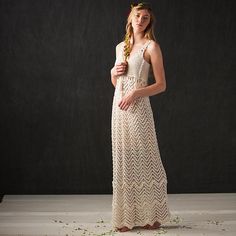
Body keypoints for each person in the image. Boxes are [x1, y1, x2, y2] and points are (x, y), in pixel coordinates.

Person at [110, 2, 171, 233]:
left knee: (145, 158)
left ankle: (152, 216)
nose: (141, 20)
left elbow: (161, 85)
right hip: (119, 109)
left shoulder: (151, 46)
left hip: (139, 109)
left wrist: (136, 92)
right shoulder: (120, 47)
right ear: (130, 17)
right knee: (124, 159)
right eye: (138, 15)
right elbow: (118, 84)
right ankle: (127, 217)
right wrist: (112, 73)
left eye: (146, 17)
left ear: (149, 22)